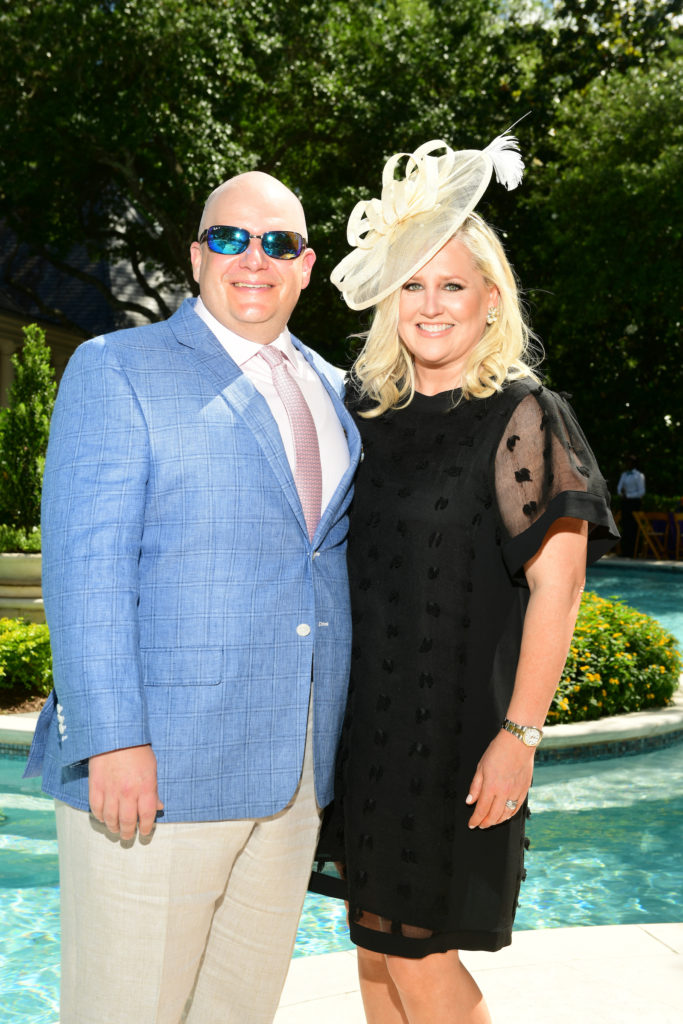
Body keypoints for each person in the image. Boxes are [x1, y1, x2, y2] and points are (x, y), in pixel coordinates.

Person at [24, 171, 361, 1024]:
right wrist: (113, 739)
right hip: (155, 776)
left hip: (294, 778)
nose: (254, 258)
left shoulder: (337, 388)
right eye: (230, 238)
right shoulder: (116, 369)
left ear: (307, 265)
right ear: (194, 254)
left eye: (278, 243)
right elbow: (84, 567)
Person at [310, 134, 618, 1023]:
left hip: (454, 734)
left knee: (418, 955)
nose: (431, 303)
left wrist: (519, 735)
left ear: (491, 299)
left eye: (453, 284)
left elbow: (557, 589)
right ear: (386, 299)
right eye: (412, 282)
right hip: (363, 730)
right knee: (373, 947)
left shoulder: (522, 413)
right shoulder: (365, 411)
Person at [617, 454, 646, 557]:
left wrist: (628, 495)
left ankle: (634, 551)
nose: (627, 464)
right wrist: (621, 493)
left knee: (633, 527)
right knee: (624, 526)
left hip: (634, 503)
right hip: (625, 503)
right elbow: (619, 488)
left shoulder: (639, 476)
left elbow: (641, 492)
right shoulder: (624, 475)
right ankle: (625, 551)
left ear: (634, 464)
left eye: (629, 462)